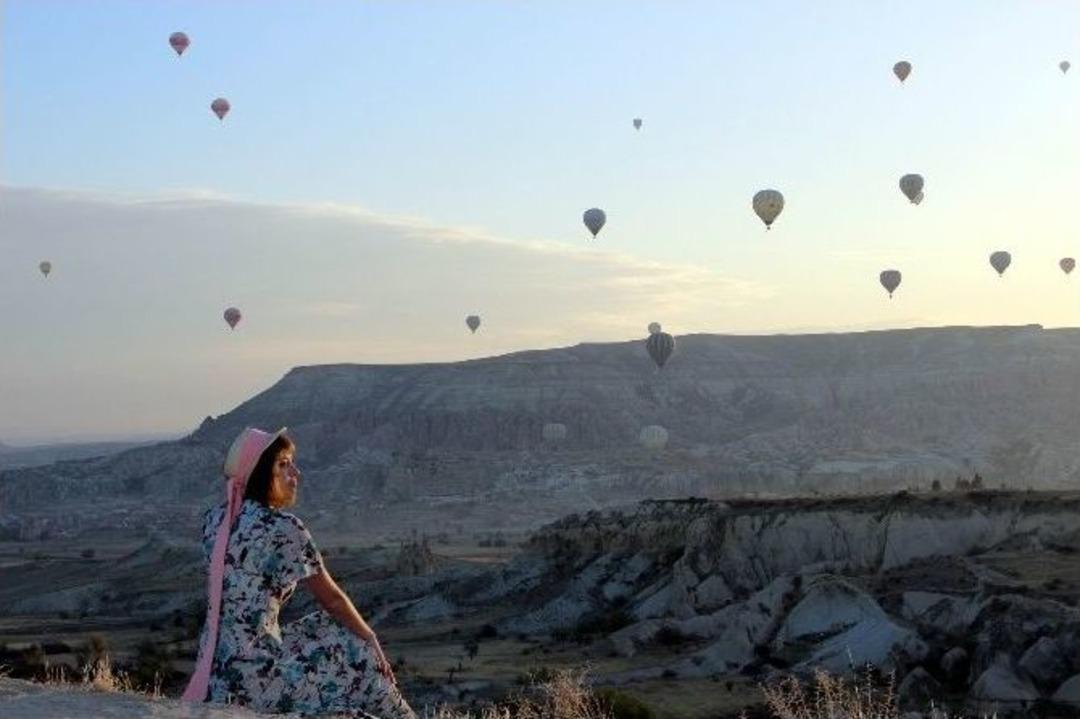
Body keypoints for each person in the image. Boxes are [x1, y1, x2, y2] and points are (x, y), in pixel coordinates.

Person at [182, 427, 416, 718]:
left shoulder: (215, 519)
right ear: (259, 473)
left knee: (322, 626)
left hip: (216, 673)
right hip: (252, 678)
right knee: (353, 643)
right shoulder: (283, 528)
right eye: (283, 464)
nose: (296, 472)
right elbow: (332, 600)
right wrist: (370, 639)